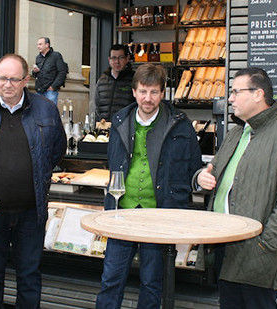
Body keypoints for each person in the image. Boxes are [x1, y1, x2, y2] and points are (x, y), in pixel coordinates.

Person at [194, 67, 277, 308]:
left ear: (258, 94)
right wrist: (200, 178)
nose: (231, 98)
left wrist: (264, 244)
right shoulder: (236, 133)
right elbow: (211, 172)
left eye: (237, 91)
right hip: (224, 246)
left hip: (256, 252)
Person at [0, 53, 66, 309]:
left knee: (29, 276)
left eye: (14, 79)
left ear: (26, 80)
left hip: (31, 212)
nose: (7, 84)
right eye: (2, 78)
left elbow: (56, 150)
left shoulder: (45, 108)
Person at [95, 63, 202, 309]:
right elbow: (113, 165)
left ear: (163, 93)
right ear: (134, 91)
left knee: (152, 283)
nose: (148, 98)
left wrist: (198, 180)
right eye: (143, 91)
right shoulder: (120, 120)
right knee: (111, 280)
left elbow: (193, 168)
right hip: (122, 214)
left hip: (159, 216)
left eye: (154, 92)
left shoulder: (180, 124)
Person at [94, 44, 135, 122]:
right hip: (105, 127)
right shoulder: (102, 80)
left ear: (127, 59)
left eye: (121, 58)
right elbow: (97, 105)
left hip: (125, 128)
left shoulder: (134, 79)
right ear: (109, 60)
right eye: (114, 58)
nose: (117, 62)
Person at [32, 37, 68, 104]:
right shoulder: (38, 57)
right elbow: (36, 74)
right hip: (39, 90)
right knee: (39, 112)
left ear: (47, 45)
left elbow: (62, 72)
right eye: (37, 44)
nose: (38, 46)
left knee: (50, 111)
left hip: (50, 91)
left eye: (40, 44)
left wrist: (53, 86)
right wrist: (34, 71)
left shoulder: (56, 56)